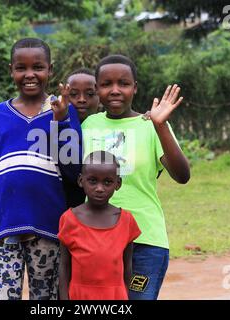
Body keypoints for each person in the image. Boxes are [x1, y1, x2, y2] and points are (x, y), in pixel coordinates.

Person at [0, 37, 82, 300]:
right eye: (21, 68)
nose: (30, 75)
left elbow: (75, 172)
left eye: (38, 67)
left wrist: (62, 121)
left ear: (50, 70)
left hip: (49, 228)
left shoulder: (64, 111)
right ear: (11, 70)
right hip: (4, 228)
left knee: (47, 301)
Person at [81, 54, 190, 300]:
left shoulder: (151, 125)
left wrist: (160, 126)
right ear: (97, 89)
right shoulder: (87, 125)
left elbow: (182, 175)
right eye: (107, 84)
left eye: (124, 83)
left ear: (135, 88)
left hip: (145, 239)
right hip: (95, 238)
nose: (115, 90)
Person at [0, 67, 100, 208]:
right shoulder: (49, 121)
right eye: (73, 94)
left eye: (90, 94)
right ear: (62, 96)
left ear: (100, 97)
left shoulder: (106, 130)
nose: (82, 100)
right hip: (56, 208)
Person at [58, 150, 141, 300]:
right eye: (93, 181)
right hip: (79, 295)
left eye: (107, 182)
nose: (100, 188)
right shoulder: (69, 219)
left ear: (118, 183)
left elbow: (128, 267)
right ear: (80, 180)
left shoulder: (126, 220)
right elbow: (64, 266)